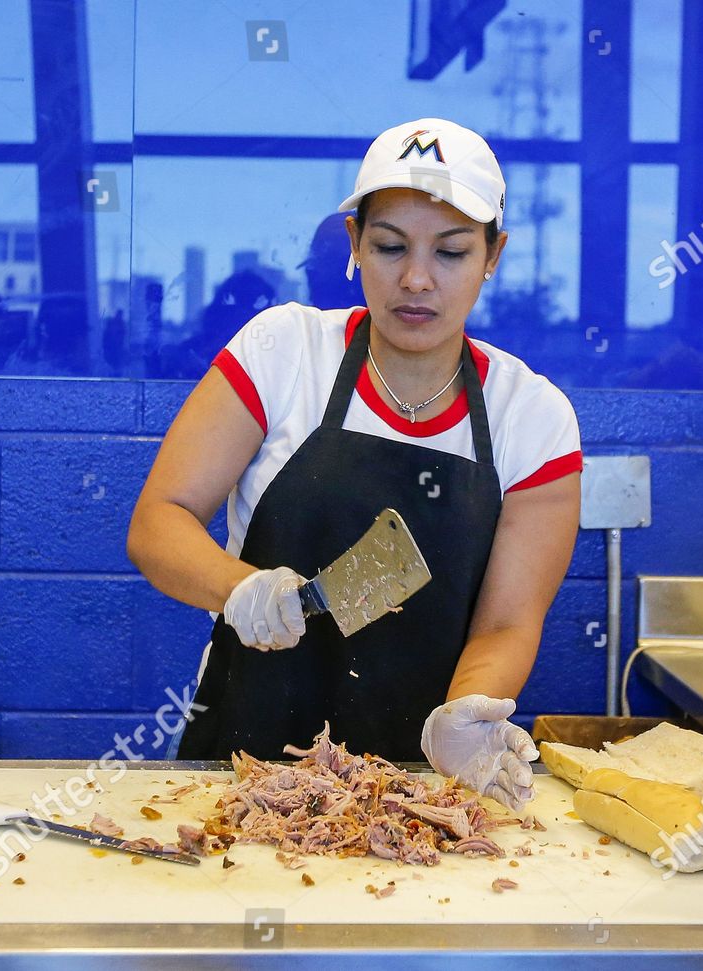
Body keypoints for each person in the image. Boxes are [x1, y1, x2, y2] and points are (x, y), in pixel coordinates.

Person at [128, 118, 582, 809]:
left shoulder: (534, 418)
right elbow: (158, 521)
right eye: (389, 246)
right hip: (241, 766)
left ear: (494, 254)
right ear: (353, 245)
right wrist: (238, 588)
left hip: (419, 789)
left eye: (453, 252)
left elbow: (505, 623)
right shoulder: (283, 352)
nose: (416, 279)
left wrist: (462, 719)